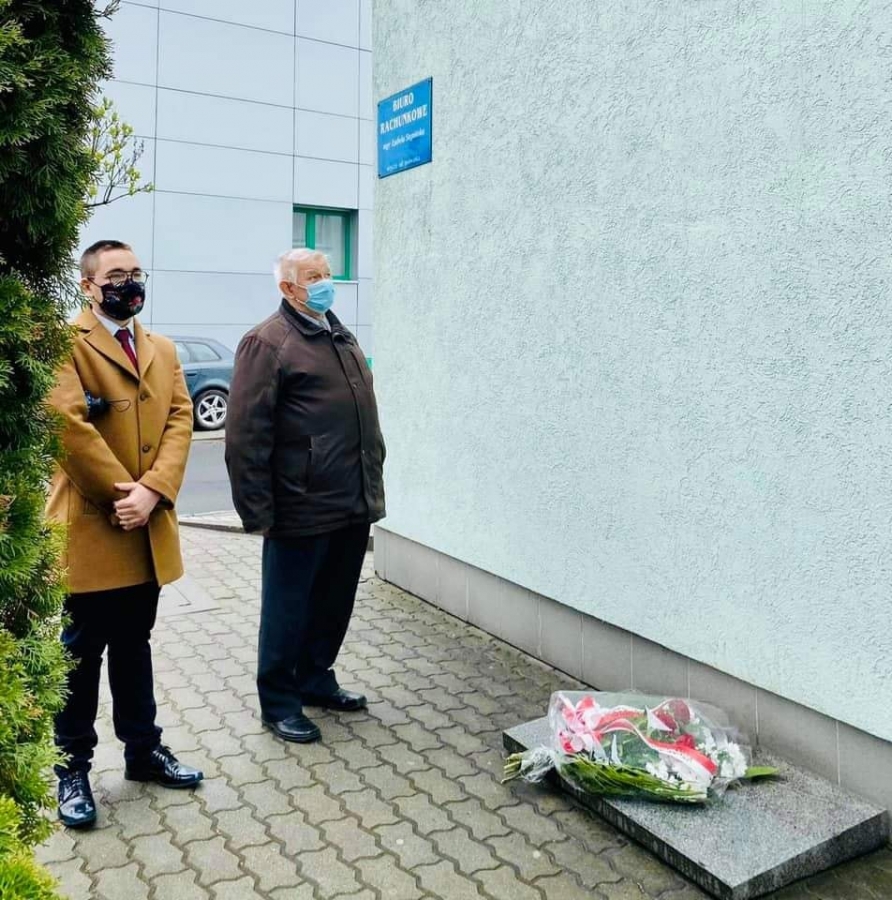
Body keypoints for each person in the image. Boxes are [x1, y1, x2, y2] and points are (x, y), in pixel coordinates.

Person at [46, 239, 203, 829]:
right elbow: (67, 427)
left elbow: (181, 419)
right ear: (88, 285)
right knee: (80, 654)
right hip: (93, 526)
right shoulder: (65, 344)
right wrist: (124, 496)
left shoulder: (161, 347)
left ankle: (143, 750)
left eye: (136, 272)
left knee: (135, 644)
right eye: (115, 275)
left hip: (147, 528)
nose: (129, 283)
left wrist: (153, 491)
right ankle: (72, 769)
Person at [226, 248, 385, 744]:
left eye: (327, 273)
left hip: (351, 499)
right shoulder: (267, 342)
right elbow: (246, 434)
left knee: (333, 603)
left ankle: (316, 678)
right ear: (287, 288)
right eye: (312, 276)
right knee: (288, 610)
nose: (324, 282)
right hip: (299, 506)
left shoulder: (338, 333)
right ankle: (278, 703)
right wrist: (258, 512)